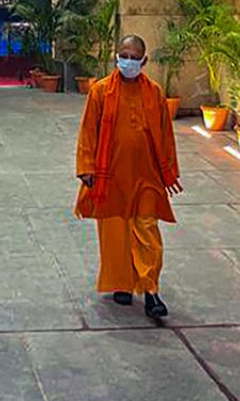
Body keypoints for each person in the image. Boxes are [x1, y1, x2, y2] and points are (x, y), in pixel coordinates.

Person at [74, 34, 182, 318]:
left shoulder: (155, 92)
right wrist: (87, 168)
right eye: (125, 56)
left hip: (146, 175)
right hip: (111, 176)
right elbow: (88, 132)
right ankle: (121, 282)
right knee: (115, 232)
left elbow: (166, 135)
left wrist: (168, 170)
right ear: (116, 57)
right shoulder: (100, 91)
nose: (129, 62)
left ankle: (150, 290)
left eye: (135, 58)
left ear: (144, 61)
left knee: (147, 230)